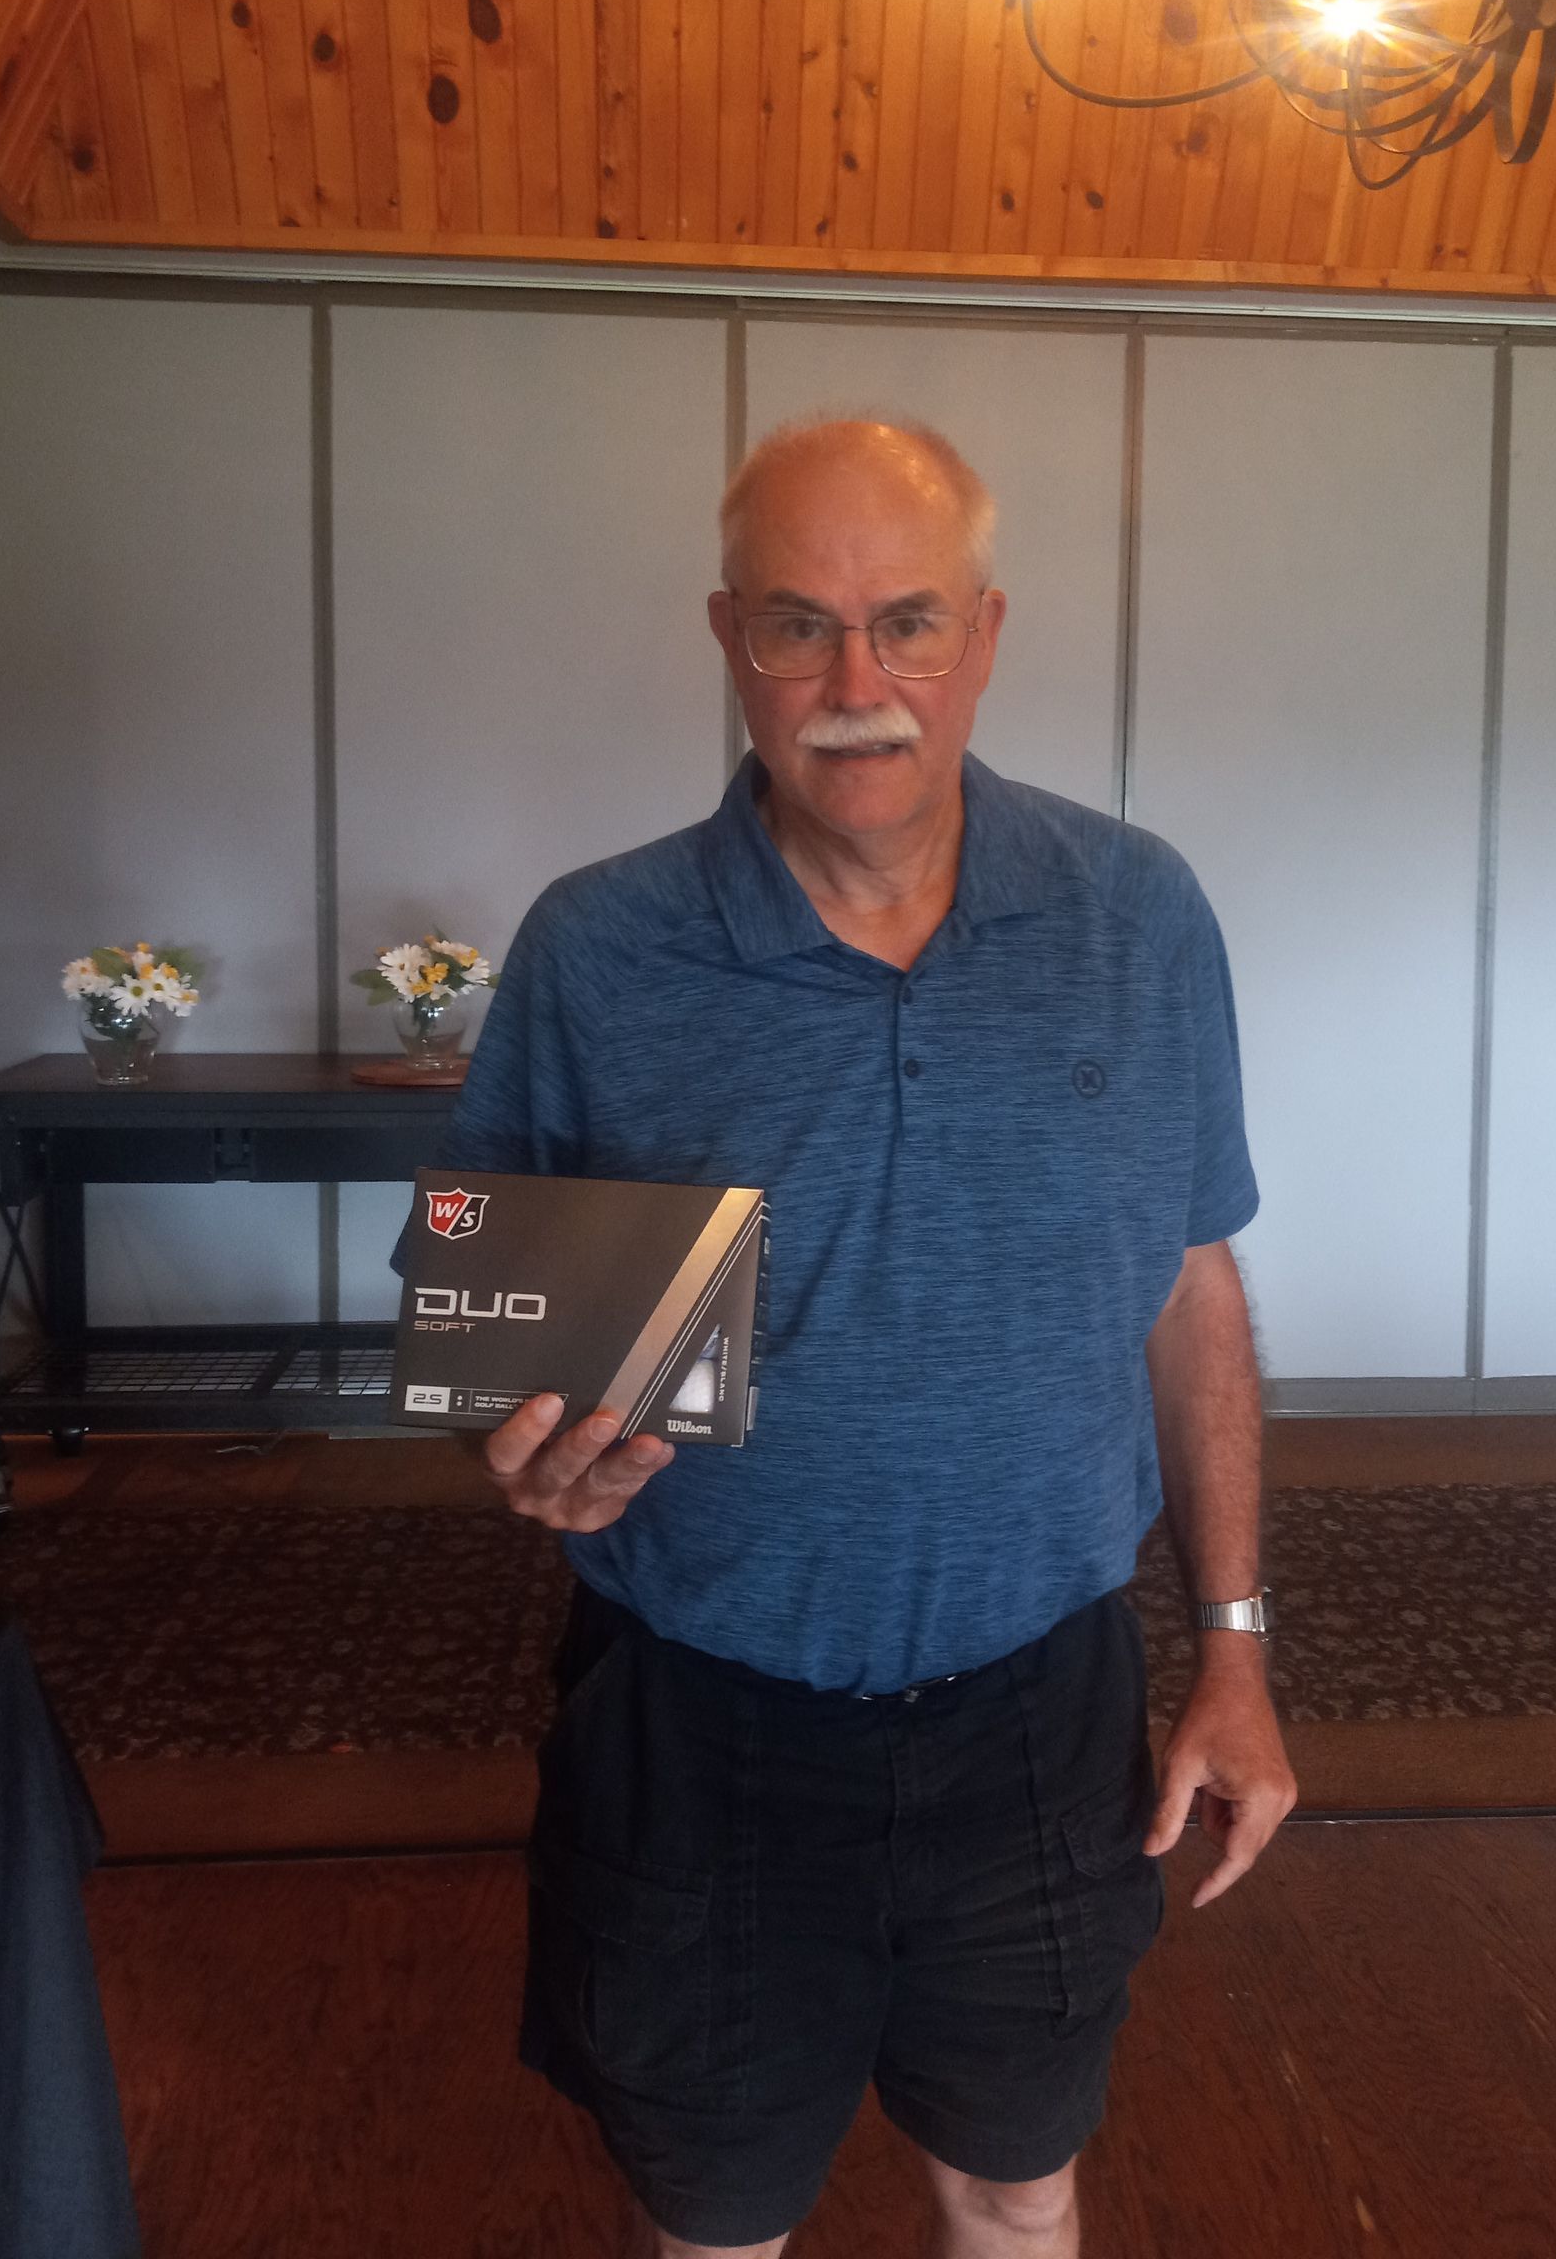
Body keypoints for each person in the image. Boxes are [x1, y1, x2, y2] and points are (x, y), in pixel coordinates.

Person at [450, 417, 1296, 2259]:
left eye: (908, 624)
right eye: (797, 626)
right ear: (725, 638)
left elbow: (1192, 1279)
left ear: (983, 636)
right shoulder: (598, 949)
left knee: (1017, 2178)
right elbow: (505, 1322)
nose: (858, 685)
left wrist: (1231, 1647)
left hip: (1041, 1723)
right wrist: (513, 1451)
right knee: (718, 2216)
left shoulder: (1136, 919)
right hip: (698, 1723)